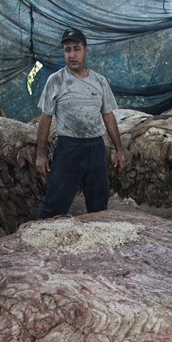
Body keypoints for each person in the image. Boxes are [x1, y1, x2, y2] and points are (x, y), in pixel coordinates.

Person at [35, 27, 126, 219]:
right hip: (68, 148)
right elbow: (46, 119)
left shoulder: (99, 81)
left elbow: (108, 116)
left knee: (99, 204)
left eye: (76, 49)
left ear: (86, 50)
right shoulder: (56, 81)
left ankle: (97, 243)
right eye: (67, 50)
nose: (72, 55)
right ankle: (45, 241)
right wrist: (40, 155)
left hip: (95, 147)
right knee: (54, 204)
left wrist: (119, 149)